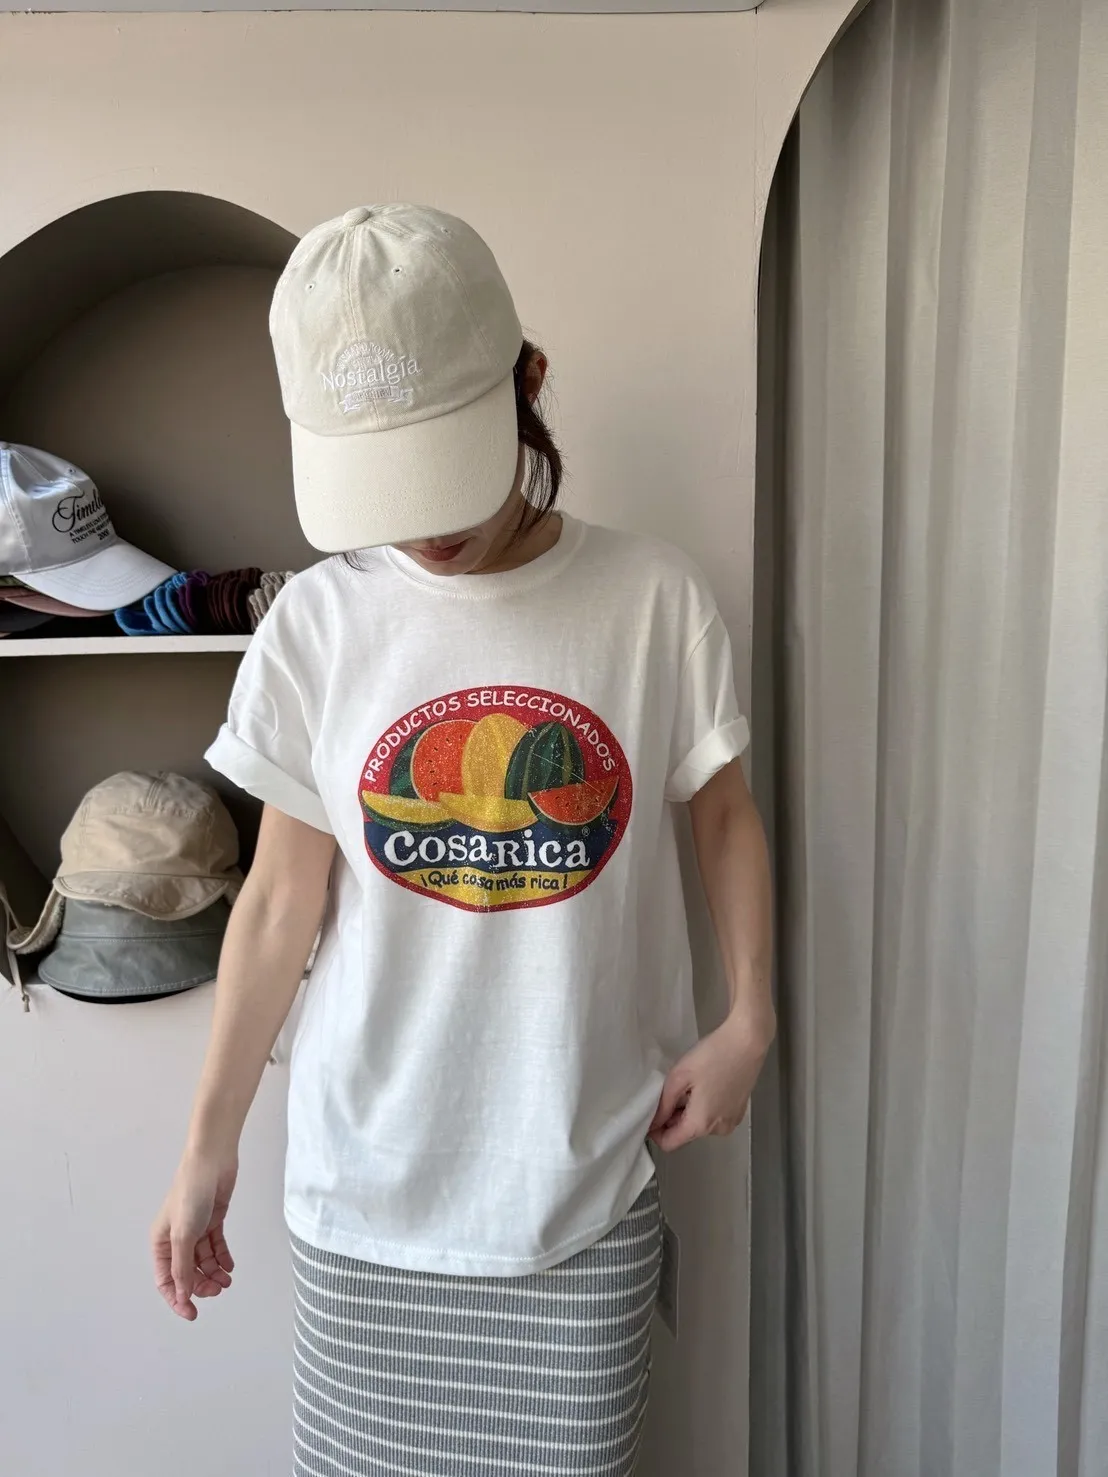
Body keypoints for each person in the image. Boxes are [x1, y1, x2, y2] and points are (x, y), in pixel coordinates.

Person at [152, 203, 775, 1477]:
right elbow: (277, 902)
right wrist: (207, 1143)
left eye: (442, 466)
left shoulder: (652, 601)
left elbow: (721, 814)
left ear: (527, 382)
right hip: (363, 1196)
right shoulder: (318, 625)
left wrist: (751, 1020)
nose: (423, 525)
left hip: (576, 1193)